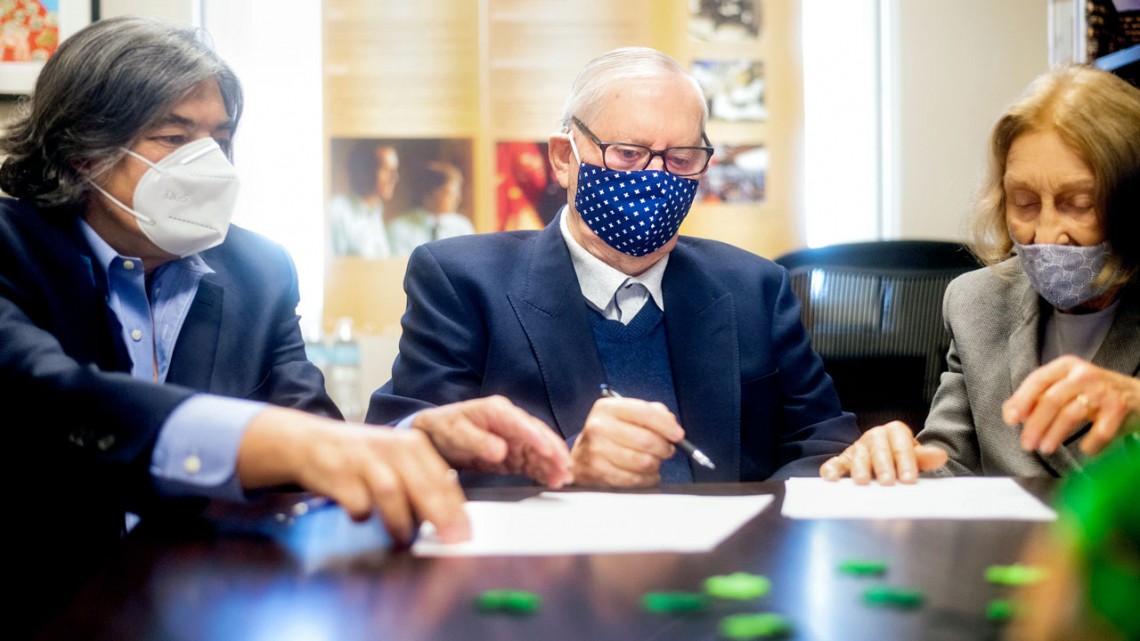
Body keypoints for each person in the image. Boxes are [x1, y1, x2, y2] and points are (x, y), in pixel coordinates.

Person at [0, 17, 570, 635]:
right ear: (82, 151)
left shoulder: (257, 269)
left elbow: (309, 434)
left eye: (221, 138)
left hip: (203, 607)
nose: (209, 162)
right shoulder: (12, 246)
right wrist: (288, 442)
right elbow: (41, 393)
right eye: (174, 136)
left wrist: (414, 435)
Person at [369, 47, 933, 487]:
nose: (654, 177)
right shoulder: (462, 281)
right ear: (565, 158)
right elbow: (401, 452)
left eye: (680, 159)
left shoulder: (755, 288)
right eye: (629, 154)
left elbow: (822, 444)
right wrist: (568, 475)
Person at [821, 65, 1140, 481]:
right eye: (1024, 203)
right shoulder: (977, 302)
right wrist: (894, 460)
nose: (1046, 234)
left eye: (1078, 203)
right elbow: (948, 463)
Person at [387, 161, 475, 256]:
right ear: (433, 193)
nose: (458, 199)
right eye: (451, 193)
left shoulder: (462, 228)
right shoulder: (399, 229)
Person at [329, 140, 400, 257]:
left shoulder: (375, 214)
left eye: (395, 170)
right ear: (366, 170)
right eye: (387, 170)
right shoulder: (337, 211)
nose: (395, 177)